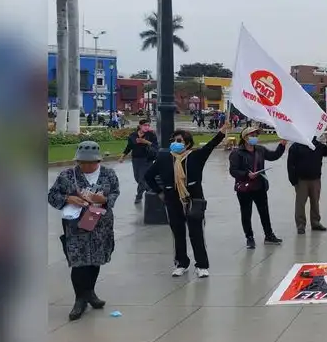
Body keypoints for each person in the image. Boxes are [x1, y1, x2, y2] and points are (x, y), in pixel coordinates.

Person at [145, 122, 229, 278]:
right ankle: (181, 263)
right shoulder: (164, 159)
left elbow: (210, 146)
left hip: (193, 200)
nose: (175, 144)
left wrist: (222, 132)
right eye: (173, 141)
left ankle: (202, 265)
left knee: (196, 233)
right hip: (172, 201)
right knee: (178, 233)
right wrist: (159, 192)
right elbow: (148, 176)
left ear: (187, 144)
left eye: (179, 141)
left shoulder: (195, 157)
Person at [47, 141, 120, 321]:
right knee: (78, 262)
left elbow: (115, 192)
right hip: (75, 226)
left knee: (95, 260)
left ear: (98, 160)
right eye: (82, 163)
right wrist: (68, 198)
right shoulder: (67, 175)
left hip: (100, 223)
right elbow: (52, 195)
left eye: (91, 163)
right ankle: (80, 299)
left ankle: (90, 293)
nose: (86, 166)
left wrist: (103, 198)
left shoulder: (108, 174)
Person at [228, 126, 286, 249]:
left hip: (259, 186)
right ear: (244, 138)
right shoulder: (237, 153)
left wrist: (282, 145)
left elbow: (273, 156)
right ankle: (249, 237)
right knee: (246, 213)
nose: (254, 138)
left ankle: (269, 235)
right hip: (244, 189)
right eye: (252, 135)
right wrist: (246, 174)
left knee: (264, 212)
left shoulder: (260, 150)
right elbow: (233, 171)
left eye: (256, 135)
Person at [287, 133, 327, 234]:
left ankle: (315, 222)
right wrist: (293, 180)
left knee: (315, 202)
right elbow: (290, 165)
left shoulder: (317, 145)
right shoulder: (296, 146)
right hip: (301, 180)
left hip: (315, 179)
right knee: (300, 203)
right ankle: (300, 225)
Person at [119, 118, 158, 204]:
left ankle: (139, 196)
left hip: (147, 159)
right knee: (137, 178)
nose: (147, 127)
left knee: (141, 179)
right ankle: (150, 189)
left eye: (148, 125)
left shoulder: (151, 135)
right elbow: (129, 147)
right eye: (145, 125)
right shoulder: (133, 135)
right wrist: (123, 156)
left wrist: (146, 142)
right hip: (136, 159)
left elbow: (156, 146)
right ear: (140, 126)